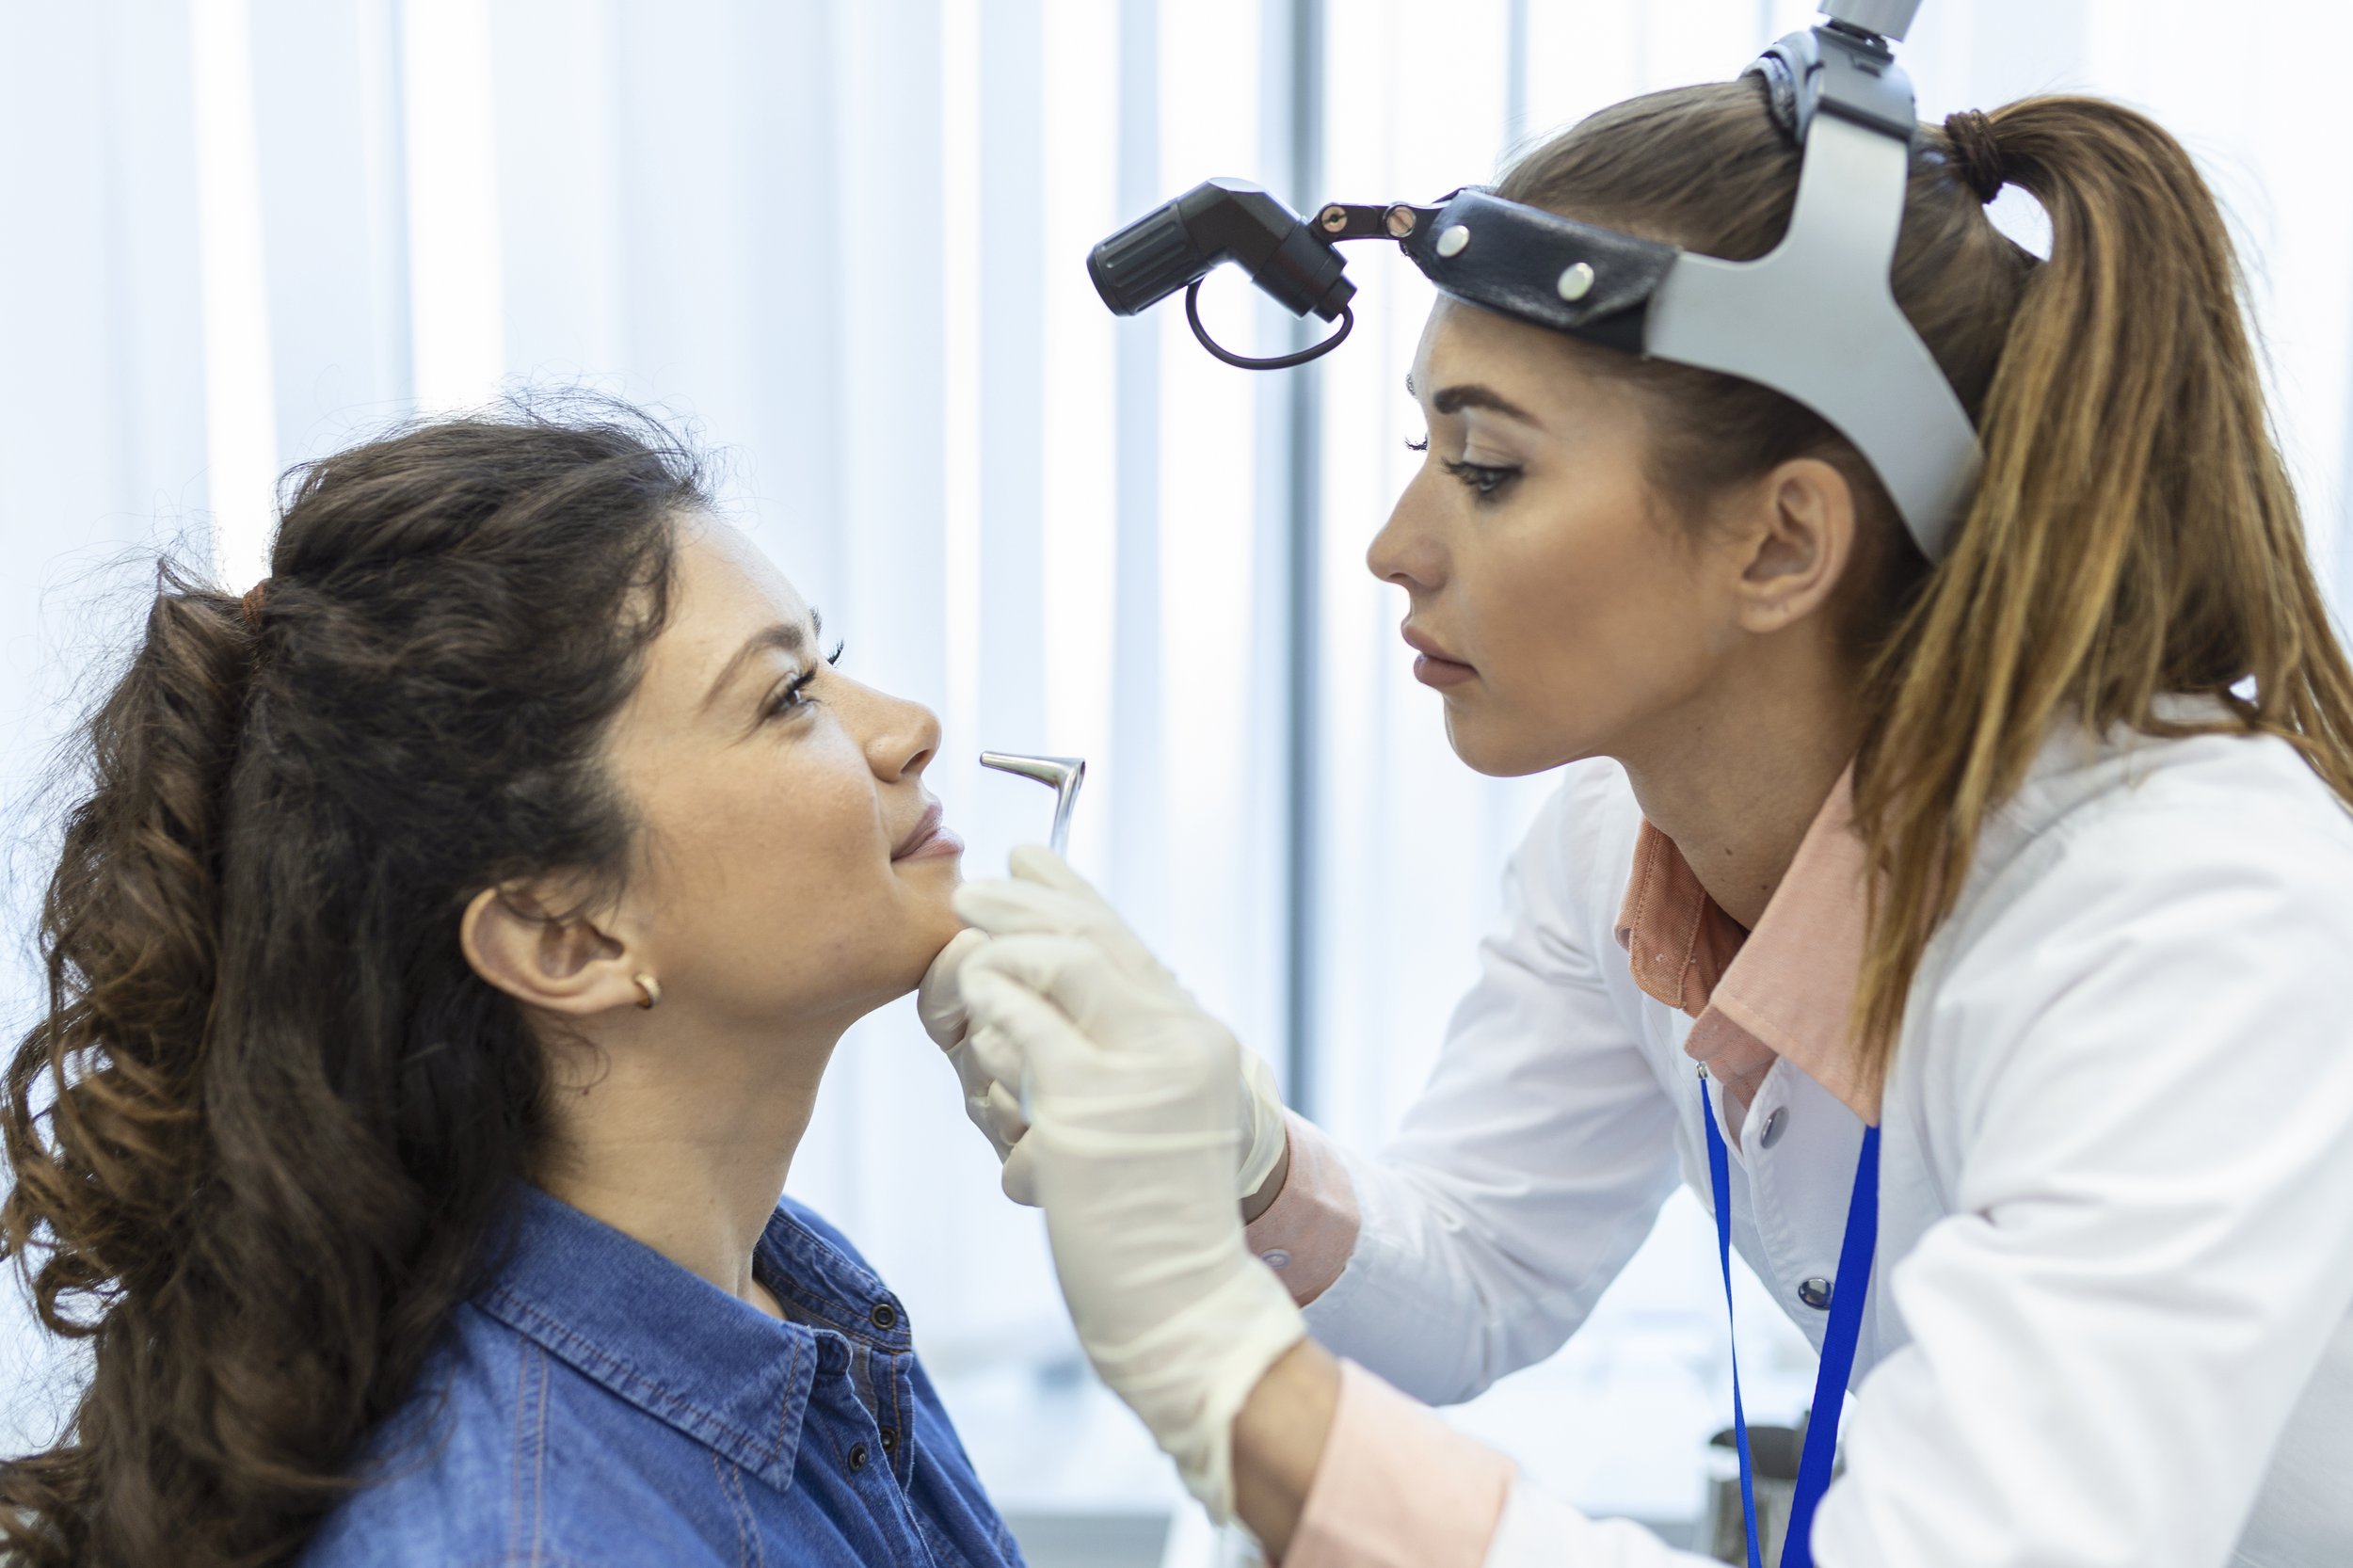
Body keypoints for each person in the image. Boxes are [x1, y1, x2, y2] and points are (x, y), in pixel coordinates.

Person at [927, 85, 2353, 1568]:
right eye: (1422, 452)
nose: (1395, 546)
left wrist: (1235, 1384)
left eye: (1488, 469)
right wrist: (1233, 1157)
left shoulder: (2193, 916)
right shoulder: (1624, 830)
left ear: (1784, 540)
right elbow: (1477, 1271)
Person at [0, 408, 1022, 1568]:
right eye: (788, 695)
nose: (907, 730)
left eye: (826, 661)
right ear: (562, 936)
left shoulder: (783, 1296)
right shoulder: (527, 1540)